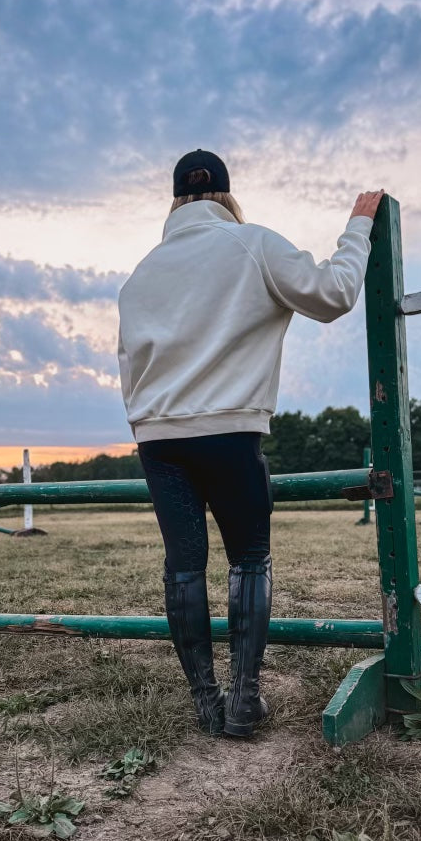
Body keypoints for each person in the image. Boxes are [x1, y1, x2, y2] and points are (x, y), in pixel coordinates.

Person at [117, 148, 383, 738]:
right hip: (230, 431)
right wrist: (358, 227)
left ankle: (206, 703)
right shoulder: (252, 244)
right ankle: (244, 698)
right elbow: (333, 295)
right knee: (249, 559)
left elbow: (128, 365)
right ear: (227, 197)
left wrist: (148, 426)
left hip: (159, 437)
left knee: (183, 569)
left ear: (175, 200)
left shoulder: (141, 273)